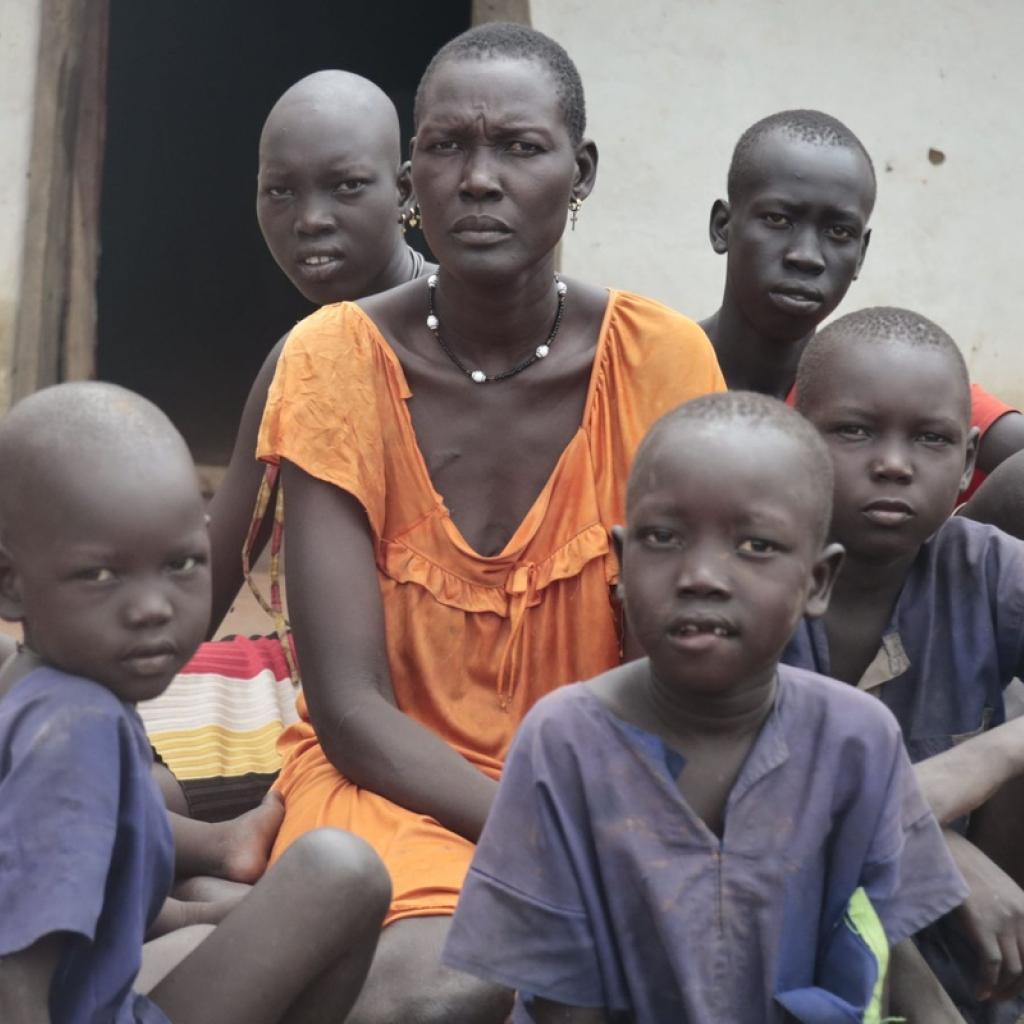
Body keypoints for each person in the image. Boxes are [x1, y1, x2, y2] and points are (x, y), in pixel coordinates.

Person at [256, 22, 725, 1023]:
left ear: (579, 169)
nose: (477, 179)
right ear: (411, 174)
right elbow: (349, 708)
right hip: (389, 786)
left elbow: (690, 656)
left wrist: (628, 817)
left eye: (517, 146)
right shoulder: (332, 358)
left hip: (604, 790)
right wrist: (566, 829)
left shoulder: (660, 359)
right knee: (444, 994)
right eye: (446, 147)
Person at [442, 391, 966, 1022]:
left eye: (756, 547)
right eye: (663, 538)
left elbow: (888, 947)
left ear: (817, 583)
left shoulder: (857, 741)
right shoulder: (566, 742)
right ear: (621, 560)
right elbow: (561, 1002)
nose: (702, 576)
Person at [0, 382, 391, 1023]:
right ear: (11, 587)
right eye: (100, 574)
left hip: (100, 994)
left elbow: (99, 914)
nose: (153, 608)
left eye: (181, 564)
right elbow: (15, 977)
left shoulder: (49, 687)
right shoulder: (76, 734)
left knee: (222, 925)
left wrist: (216, 914)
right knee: (340, 873)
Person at [141, 70, 437, 827]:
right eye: (281, 193)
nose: (310, 219)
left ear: (405, 190)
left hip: (417, 716)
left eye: (345, 187)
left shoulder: (453, 337)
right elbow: (213, 566)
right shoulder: (299, 358)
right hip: (335, 693)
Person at [787, 307, 1024, 1021]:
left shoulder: (987, 570)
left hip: (967, 948)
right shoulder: (750, 573)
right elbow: (742, 795)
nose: (894, 462)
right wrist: (931, 844)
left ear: (968, 458)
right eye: (855, 431)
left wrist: (1006, 748)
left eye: (931, 438)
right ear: (796, 437)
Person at [699, 108, 1023, 498]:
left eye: (839, 231)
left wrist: (956, 543)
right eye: (778, 219)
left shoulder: (886, 378)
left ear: (861, 254)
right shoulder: (645, 368)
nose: (807, 256)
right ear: (722, 227)